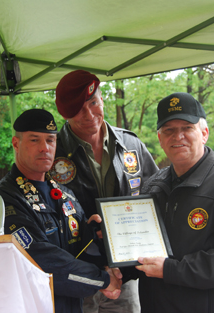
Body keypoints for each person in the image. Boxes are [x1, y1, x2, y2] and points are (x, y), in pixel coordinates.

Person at [0, 109, 122, 313]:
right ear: (16, 144)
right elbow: (40, 262)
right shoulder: (0, 201)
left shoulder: (66, 195)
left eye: (50, 140)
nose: (44, 148)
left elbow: (81, 250)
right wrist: (102, 279)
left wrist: (95, 235)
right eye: (35, 140)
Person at [132, 92, 214, 313]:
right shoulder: (152, 187)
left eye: (187, 128)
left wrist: (171, 269)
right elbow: (142, 247)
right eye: (169, 130)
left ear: (204, 133)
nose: (178, 136)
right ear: (160, 139)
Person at [49, 70, 159, 313]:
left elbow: (156, 193)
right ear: (64, 114)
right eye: (79, 110)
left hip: (126, 272)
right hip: (78, 271)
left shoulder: (131, 144)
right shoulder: (52, 152)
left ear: (102, 100)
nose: (89, 115)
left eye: (94, 103)